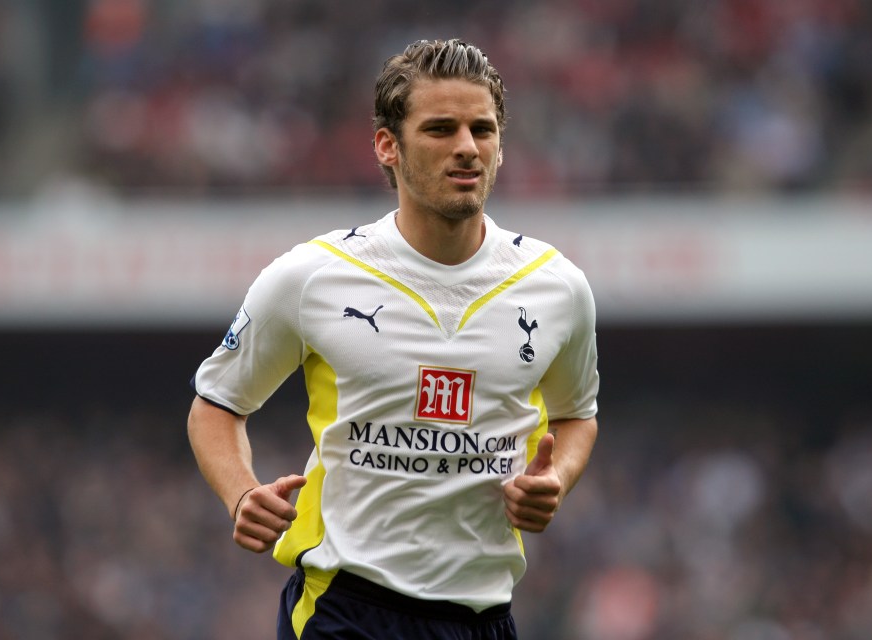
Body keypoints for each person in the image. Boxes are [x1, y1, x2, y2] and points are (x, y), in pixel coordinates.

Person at [187, 38, 600, 640]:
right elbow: (216, 404)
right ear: (388, 145)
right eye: (440, 128)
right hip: (346, 609)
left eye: (482, 130)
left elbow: (576, 416)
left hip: (484, 618)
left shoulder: (558, 288)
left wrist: (556, 478)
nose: (466, 148)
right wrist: (240, 492)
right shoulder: (312, 276)